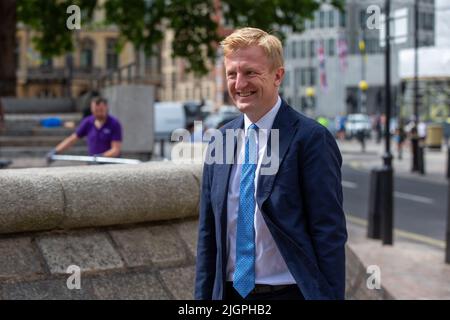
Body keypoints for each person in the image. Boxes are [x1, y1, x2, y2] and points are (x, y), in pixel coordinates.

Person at [195, 28, 347, 300]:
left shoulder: (311, 139)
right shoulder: (221, 140)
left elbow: (329, 234)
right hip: (229, 295)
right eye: (232, 74)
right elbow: (208, 237)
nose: (240, 84)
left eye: (250, 72)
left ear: (278, 75)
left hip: (289, 293)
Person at [47, 97, 122, 162]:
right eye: (96, 111)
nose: (99, 113)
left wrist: (101, 157)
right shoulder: (88, 122)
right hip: (93, 162)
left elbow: (115, 149)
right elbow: (72, 139)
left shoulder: (114, 124)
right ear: (92, 109)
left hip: (110, 163)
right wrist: (56, 151)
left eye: (101, 110)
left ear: (106, 107)